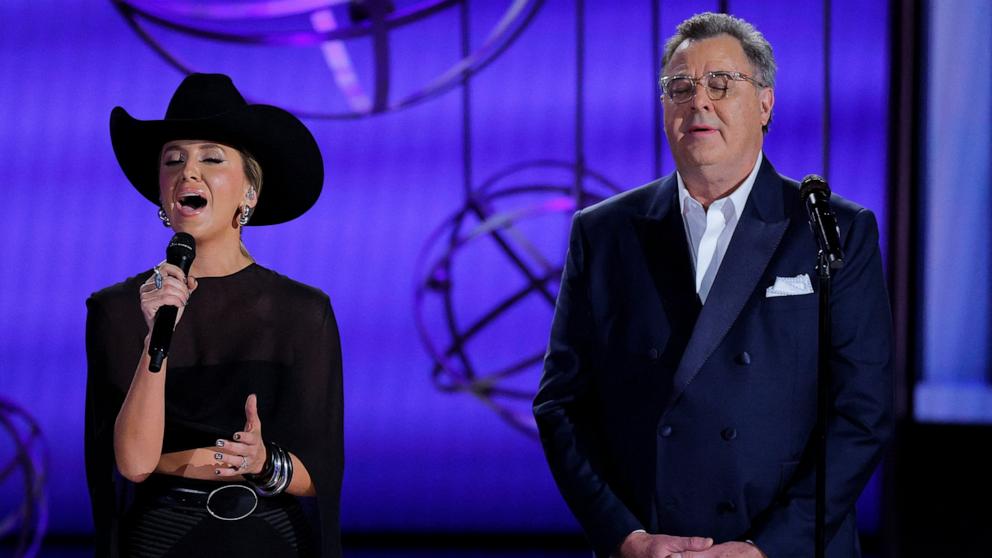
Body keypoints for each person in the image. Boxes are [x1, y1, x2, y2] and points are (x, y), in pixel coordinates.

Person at [533, 12, 892, 558]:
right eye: (681, 87)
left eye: (721, 83)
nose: (699, 101)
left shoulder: (830, 227)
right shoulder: (604, 232)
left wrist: (767, 547)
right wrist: (624, 536)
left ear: (765, 103)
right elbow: (561, 403)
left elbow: (862, 410)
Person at [85, 73, 343, 557]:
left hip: (267, 533)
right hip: (160, 538)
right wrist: (153, 338)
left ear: (249, 191)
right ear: (163, 194)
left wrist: (265, 462)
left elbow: (320, 475)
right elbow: (134, 462)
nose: (188, 172)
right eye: (174, 159)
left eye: (211, 157)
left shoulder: (303, 312)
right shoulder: (117, 309)